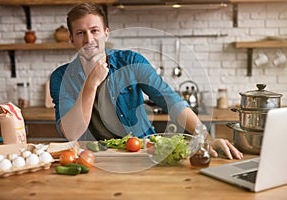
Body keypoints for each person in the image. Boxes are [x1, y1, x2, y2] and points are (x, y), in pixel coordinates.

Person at [50, 2, 243, 160]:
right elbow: (72, 133)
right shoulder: (61, 78)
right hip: (95, 158)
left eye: (94, 30)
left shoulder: (131, 62)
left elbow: (171, 101)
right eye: (81, 33)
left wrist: (207, 139)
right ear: (71, 39)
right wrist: (91, 84)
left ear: (106, 33)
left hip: (142, 152)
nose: (89, 39)